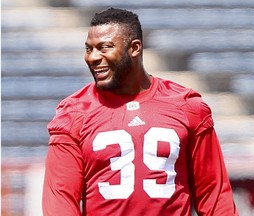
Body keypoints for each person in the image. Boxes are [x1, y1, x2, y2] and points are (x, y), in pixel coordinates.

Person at [42, 7, 239, 216]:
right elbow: (60, 200)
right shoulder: (73, 113)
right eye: (89, 49)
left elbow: (214, 197)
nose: (92, 57)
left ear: (134, 48)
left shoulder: (187, 106)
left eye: (104, 47)